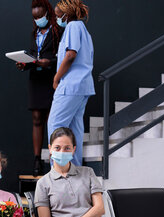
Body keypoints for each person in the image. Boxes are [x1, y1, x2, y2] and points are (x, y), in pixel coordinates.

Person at [16, 0, 63, 176]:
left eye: (40, 16)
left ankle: (54, 156)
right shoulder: (33, 33)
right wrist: (24, 64)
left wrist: (49, 63)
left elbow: (63, 57)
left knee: (52, 118)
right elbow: (33, 55)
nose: (37, 20)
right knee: (36, 117)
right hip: (35, 79)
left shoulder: (58, 31)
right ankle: (37, 159)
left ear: (48, 13)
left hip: (51, 79)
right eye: (34, 17)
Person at [47, 0, 94, 166]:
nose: (56, 17)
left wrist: (56, 77)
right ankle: (75, 171)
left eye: (58, 14)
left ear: (66, 14)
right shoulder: (83, 30)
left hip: (71, 86)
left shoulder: (73, 27)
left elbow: (71, 55)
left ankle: (57, 172)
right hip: (82, 87)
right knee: (75, 131)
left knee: (55, 126)